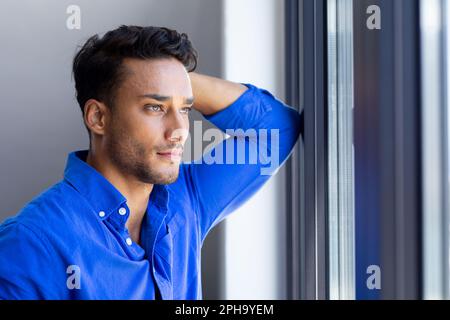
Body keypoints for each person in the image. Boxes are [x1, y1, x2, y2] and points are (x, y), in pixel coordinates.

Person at [0, 25, 301, 299]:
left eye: (185, 108)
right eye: (155, 107)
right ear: (98, 117)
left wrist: (172, 79)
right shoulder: (30, 242)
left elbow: (275, 128)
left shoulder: (187, 199)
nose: (180, 131)